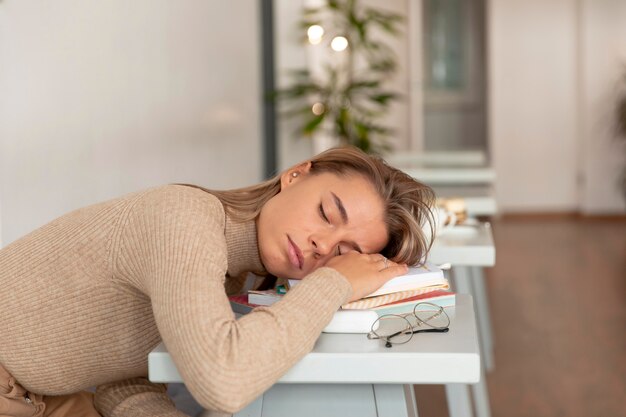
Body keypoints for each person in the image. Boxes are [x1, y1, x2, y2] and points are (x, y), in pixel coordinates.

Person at [0, 146, 435, 417]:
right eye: (326, 213)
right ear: (296, 175)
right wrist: (334, 285)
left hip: (42, 396)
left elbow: (125, 378)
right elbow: (221, 381)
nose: (322, 246)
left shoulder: (236, 273)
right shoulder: (184, 219)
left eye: (343, 254)